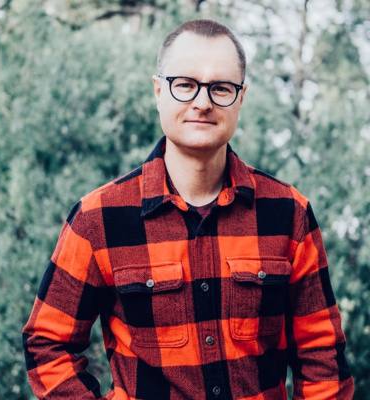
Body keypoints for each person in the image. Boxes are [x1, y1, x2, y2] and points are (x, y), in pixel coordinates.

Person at [23, 19, 354, 400]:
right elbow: (47, 344)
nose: (202, 102)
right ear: (158, 91)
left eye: (220, 88)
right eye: (185, 85)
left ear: (241, 98)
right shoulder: (97, 218)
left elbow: (322, 355)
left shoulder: (289, 213)